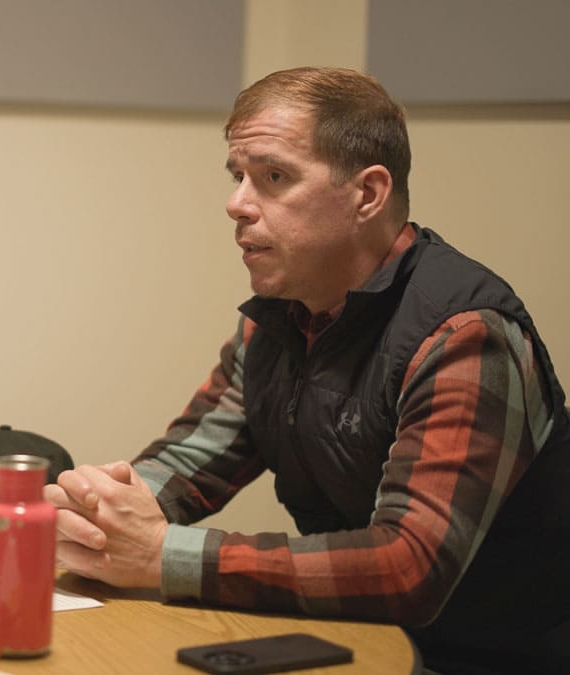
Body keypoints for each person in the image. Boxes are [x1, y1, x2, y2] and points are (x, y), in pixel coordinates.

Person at [46, 66, 569, 675]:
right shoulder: (277, 321)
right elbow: (189, 465)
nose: (236, 204)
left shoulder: (464, 334)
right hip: (354, 642)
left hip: (492, 657)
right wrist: (98, 511)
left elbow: (409, 567)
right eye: (237, 177)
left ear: (368, 194)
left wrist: (162, 554)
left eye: (273, 177)